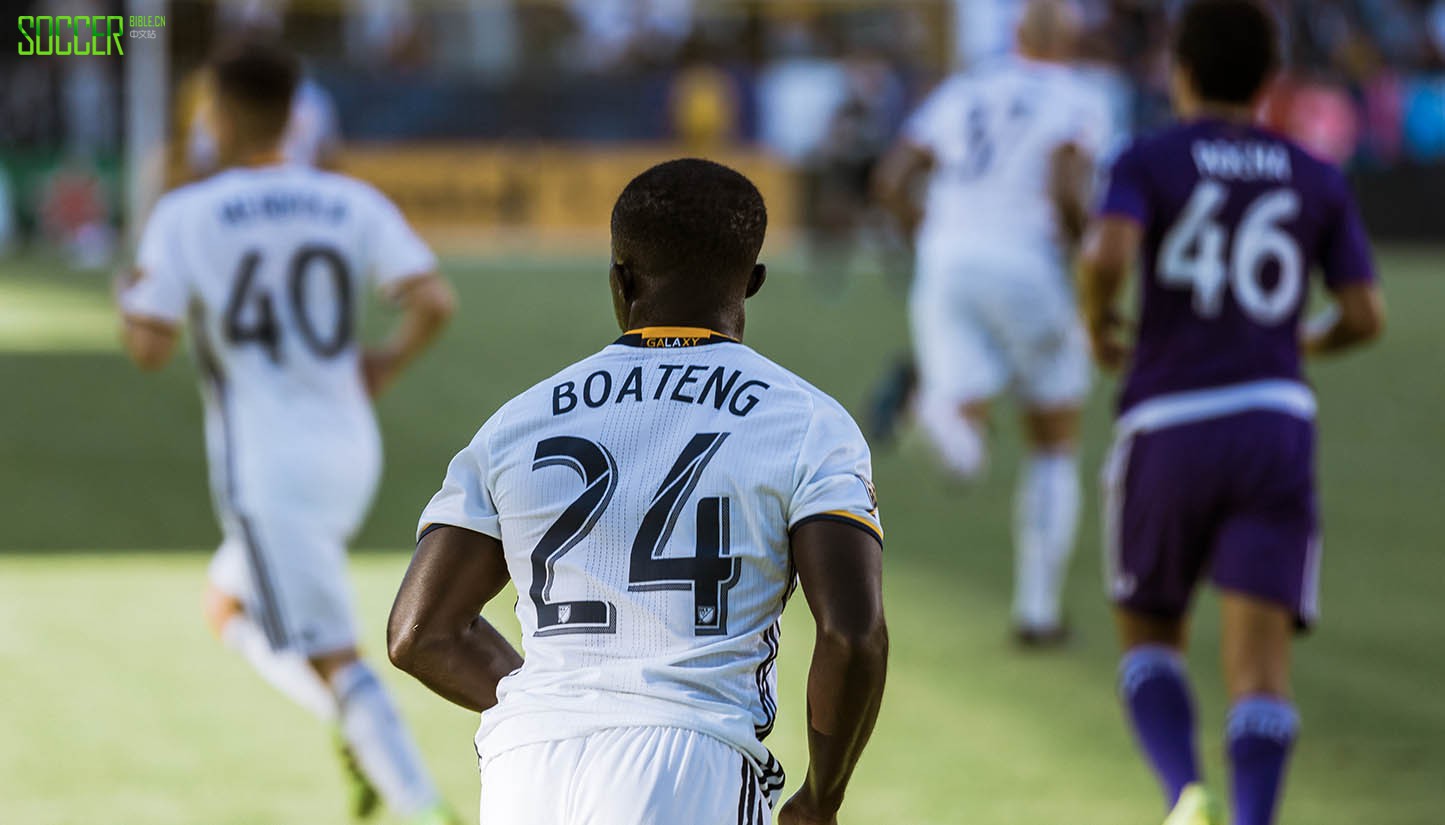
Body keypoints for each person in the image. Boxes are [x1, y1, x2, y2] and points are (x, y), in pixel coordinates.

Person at [388, 158, 889, 825]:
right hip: (692, 761)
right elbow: (852, 634)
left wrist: (562, 701)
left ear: (620, 280)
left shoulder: (518, 420)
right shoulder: (807, 421)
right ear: (752, 282)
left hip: (524, 768)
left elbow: (417, 632)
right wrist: (821, 797)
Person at [115, 40, 459, 825]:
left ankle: (420, 803)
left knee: (331, 651)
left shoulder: (188, 211)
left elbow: (148, 347)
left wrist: (127, 294)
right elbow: (433, 299)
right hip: (348, 447)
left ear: (220, 115)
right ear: (295, 113)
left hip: (269, 468)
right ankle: (358, 733)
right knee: (225, 603)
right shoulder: (349, 200)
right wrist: (383, 364)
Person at [1078, 2, 1385, 824]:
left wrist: (1095, 322)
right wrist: (1288, 341)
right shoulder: (1313, 172)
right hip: (1273, 423)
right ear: (1266, 81)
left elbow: (1106, 253)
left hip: (1169, 421)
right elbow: (1363, 315)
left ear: (1178, 70)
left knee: (1148, 638)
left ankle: (1184, 791)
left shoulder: (1146, 156)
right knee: (1261, 669)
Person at [873, 0, 1114, 643]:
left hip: (948, 259)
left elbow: (892, 179)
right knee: (1053, 437)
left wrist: (928, 239)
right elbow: (1068, 188)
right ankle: (1036, 613)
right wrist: (1085, 256)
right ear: (1070, 40)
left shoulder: (967, 86)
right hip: (1025, 263)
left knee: (966, 451)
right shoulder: (1076, 97)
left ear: (1015, 35)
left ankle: (929, 408)